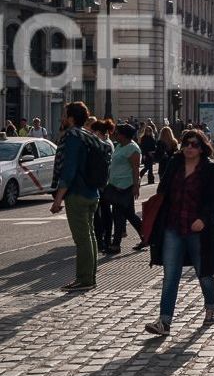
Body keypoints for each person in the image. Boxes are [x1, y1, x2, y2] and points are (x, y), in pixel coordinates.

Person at [145, 129, 214, 336]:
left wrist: (204, 219)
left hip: (197, 229)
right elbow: (163, 190)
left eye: (194, 144)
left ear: (202, 148)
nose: (189, 147)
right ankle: (164, 321)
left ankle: (211, 307)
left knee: (203, 272)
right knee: (170, 275)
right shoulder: (174, 164)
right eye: (186, 143)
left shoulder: (210, 170)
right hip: (173, 226)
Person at [49, 102, 100, 292]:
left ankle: (85, 279)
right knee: (90, 236)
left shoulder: (72, 137)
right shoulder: (87, 135)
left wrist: (57, 199)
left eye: (65, 114)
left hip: (77, 194)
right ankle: (90, 276)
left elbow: (68, 170)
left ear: (71, 118)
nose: (62, 117)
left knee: (82, 239)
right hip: (92, 192)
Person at [100, 123, 145, 254]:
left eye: (117, 133)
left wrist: (136, 186)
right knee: (129, 214)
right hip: (115, 185)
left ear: (124, 135)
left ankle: (116, 245)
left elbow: (135, 169)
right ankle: (146, 236)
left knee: (118, 214)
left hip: (125, 186)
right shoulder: (119, 146)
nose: (115, 135)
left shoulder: (133, 149)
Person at [90, 119, 115, 253]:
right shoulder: (108, 143)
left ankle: (102, 241)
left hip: (102, 183)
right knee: (104, 212)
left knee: (100, 214)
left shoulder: (104, 144)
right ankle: (105, 240)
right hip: (105, 182)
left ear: (99, 132)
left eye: (93, 132)